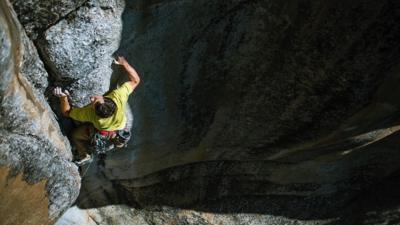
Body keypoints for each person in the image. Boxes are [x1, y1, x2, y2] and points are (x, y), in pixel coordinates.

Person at [53, 56, 140, 165]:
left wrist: (63, 98)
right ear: (105, 99)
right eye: (95, 100)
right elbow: (135, 80)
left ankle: (84, 153)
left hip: (102, 130)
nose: (91, 98)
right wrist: (124, 63)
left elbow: (66, 113)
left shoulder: (91, 115)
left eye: (93, 102)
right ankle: (118, 142)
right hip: (117, 128)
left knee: (75, 135)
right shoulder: (118, 96)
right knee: (116, 139)